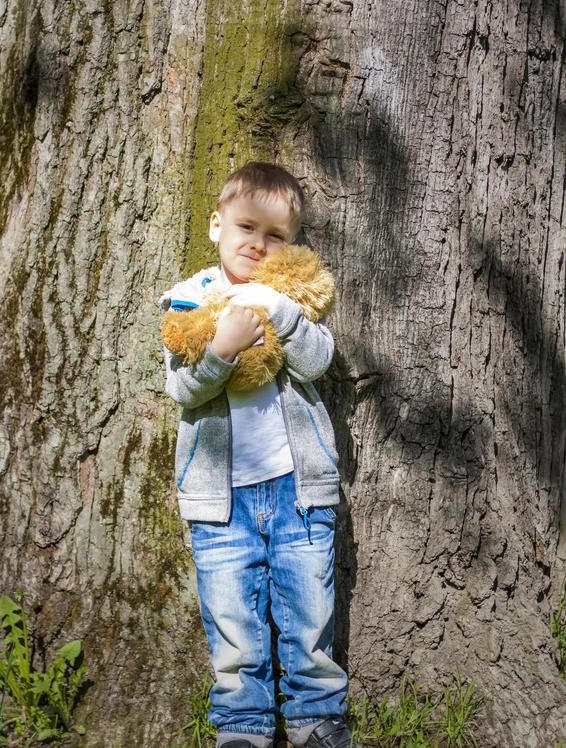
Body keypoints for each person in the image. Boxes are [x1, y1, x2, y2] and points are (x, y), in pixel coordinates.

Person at [159, 162, 352, 748]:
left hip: (298, 487)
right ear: (217, 225)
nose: (259, 245)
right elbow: (183, 389)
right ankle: (242, 723)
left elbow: (319, 361)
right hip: (221, 497)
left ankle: (316, 714)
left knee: (308, 603)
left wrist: (280, 309)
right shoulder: (191, 300)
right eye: (247, 228)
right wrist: (221, 349)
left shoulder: (290, 297)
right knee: (232, 615)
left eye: (276, 237)